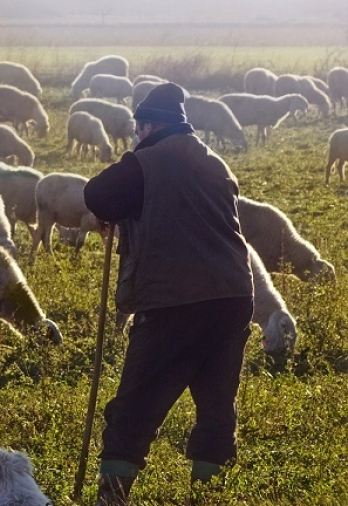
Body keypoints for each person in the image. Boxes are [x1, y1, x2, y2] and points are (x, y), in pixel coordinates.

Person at [83, 82, 254, 505]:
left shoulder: (147, 160)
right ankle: (208, 496)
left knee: (136, 403)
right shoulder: (214, 161)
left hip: (175, 298)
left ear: (148, 126)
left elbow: (97, 195)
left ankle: (112, 497)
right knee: (216, 404)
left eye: (137, 128)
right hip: (233, 297)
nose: (135, 136)